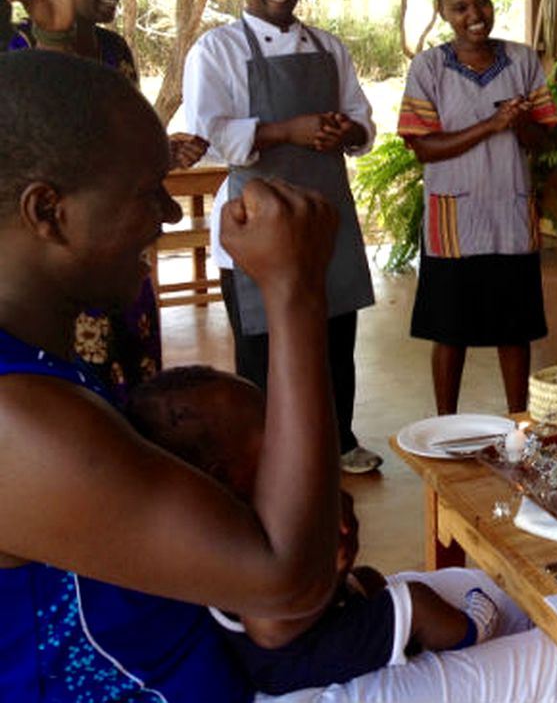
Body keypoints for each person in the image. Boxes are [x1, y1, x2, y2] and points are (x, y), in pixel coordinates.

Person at [0, 50, 338, 701]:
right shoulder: (16, 418)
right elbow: (287, 579)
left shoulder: (40, 367)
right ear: (48, 212)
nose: (169, 213)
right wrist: (293, 292)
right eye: (143, 191)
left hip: (224, 666)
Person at [125, 365, 557, 701]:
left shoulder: (224, 522)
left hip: (318, 647)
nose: (291, 440)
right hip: (310, 682)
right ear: (222, 474)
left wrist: (342, 568)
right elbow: (273, 625)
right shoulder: (235, 557)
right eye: (272, 433)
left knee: (493, 587)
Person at [183, 0, 382, 474]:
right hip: (257, 219)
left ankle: (340, 440)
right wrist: (287, 130)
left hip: (327, 211)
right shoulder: (217, 50)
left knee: (336, 334)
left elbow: (363, 118)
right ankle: (271, 452)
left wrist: (346, 129)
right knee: (264, 345)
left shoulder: (327, 46)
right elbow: (209, 134)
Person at [4, 0, 207, 398]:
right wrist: (54, 36)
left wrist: (159, 155)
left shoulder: (113, 50)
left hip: (116, 250)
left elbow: (107, 143)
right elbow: (46, 140)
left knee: (133, 387)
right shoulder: (15, 47)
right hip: (57, 260)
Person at [397, 0, 557, 415]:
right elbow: (424, 148)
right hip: (455, 224)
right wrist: (491, 124)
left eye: (481, 1)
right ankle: (444, 423)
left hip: (508, 215)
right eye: (460, 7)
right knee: (450, 331)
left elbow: (542, 141)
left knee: (515, 329)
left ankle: (517, 422)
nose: (475, 14)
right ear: (443, 12)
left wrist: (521, 120)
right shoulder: (429, 67)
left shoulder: (522, 61)